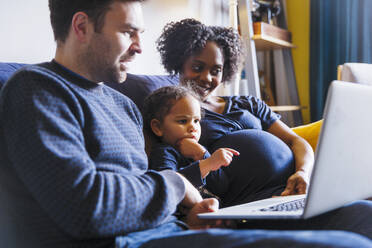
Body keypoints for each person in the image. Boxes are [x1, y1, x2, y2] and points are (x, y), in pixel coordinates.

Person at [1, 1, 372, 248]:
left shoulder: (121, 105)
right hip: (130, 242)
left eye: (140, 35)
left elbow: (140, 188)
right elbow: (85, 207)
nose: (139, 47)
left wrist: (191, 211)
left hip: (175, 229)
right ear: (81, 26)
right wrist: (179, 186)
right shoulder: (37, 91)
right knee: (348, 244)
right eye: (128, 32)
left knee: (361, 216)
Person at [156, 18, 312, 206]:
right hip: (256, 202)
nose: (207, 77)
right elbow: (172, 175)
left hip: (295, 189)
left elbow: (296, 141)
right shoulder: (176, 119)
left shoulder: (248, 103)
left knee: (356, 209)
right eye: (197, 67)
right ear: (179, 63)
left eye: (216, 70)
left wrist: (303, 172)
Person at [143, 85, 239, 200]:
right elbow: (169, 183)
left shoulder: (198, 149)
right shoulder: (164, 152)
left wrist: (202, 154)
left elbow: (221, 187)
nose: (193, 127)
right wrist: (207, 163)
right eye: (183, 121)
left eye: (196, 121)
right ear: (158, 127)